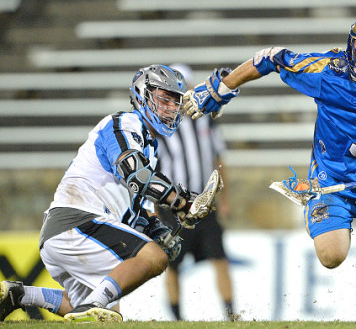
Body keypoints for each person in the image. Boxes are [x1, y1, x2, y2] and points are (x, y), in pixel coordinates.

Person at [181, 9, 356, 322]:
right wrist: (221, 88)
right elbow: (271, 58)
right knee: (332, 255)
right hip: (332, 175)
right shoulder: (328, 69)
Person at [0, 64, 219, 323]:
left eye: (175, 101)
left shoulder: (149, 146)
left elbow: (136, 211)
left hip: (68, 230)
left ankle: (20, 295)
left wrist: (158, 230)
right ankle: (93, 303)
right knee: (152, 259)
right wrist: (180, 202)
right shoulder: (125, 122)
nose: (171, 107)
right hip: (78, 221)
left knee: (102, 315)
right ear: (143, 95)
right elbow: (134, 172)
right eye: (165, 98)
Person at [155, 63, 236, 321]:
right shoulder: (161, 127)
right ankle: (178, 320)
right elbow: (154, 169)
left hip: (204, 203)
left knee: (219, 259)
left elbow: (217, 159)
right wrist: (156, 209)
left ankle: (232, 315)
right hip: (173, 208)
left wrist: (223, 198)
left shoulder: (207, 122)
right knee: (173, 265)